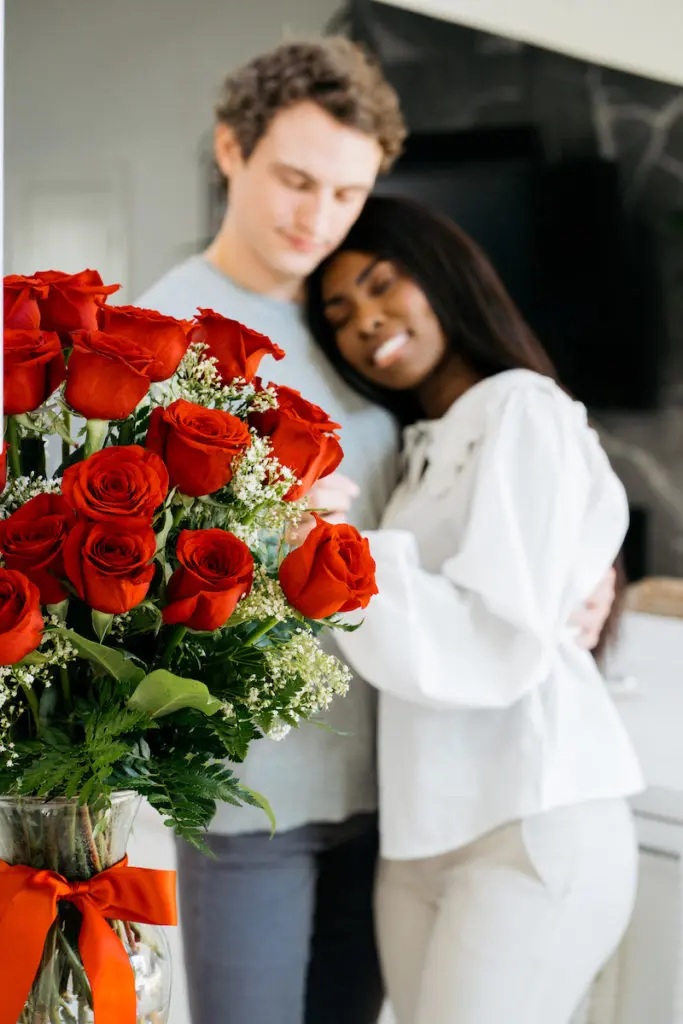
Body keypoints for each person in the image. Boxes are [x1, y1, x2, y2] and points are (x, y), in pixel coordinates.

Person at [136, 39, 618, 1024]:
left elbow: (469, 491)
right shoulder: (160, 330)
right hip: (250, 789)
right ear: (231, 150)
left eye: (347, 193)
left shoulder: (353, 318)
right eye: (294, 180)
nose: (315, 219)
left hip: (402, 786)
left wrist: (586, 558)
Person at [304, 193, 645, 1024]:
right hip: (424, 827)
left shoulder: (521, 409)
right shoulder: (425, 444)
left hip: (529, 817)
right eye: (341, 313)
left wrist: (335, 541)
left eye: (385, 284)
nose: (367, 323)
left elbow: (495, 636)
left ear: (444, 276)